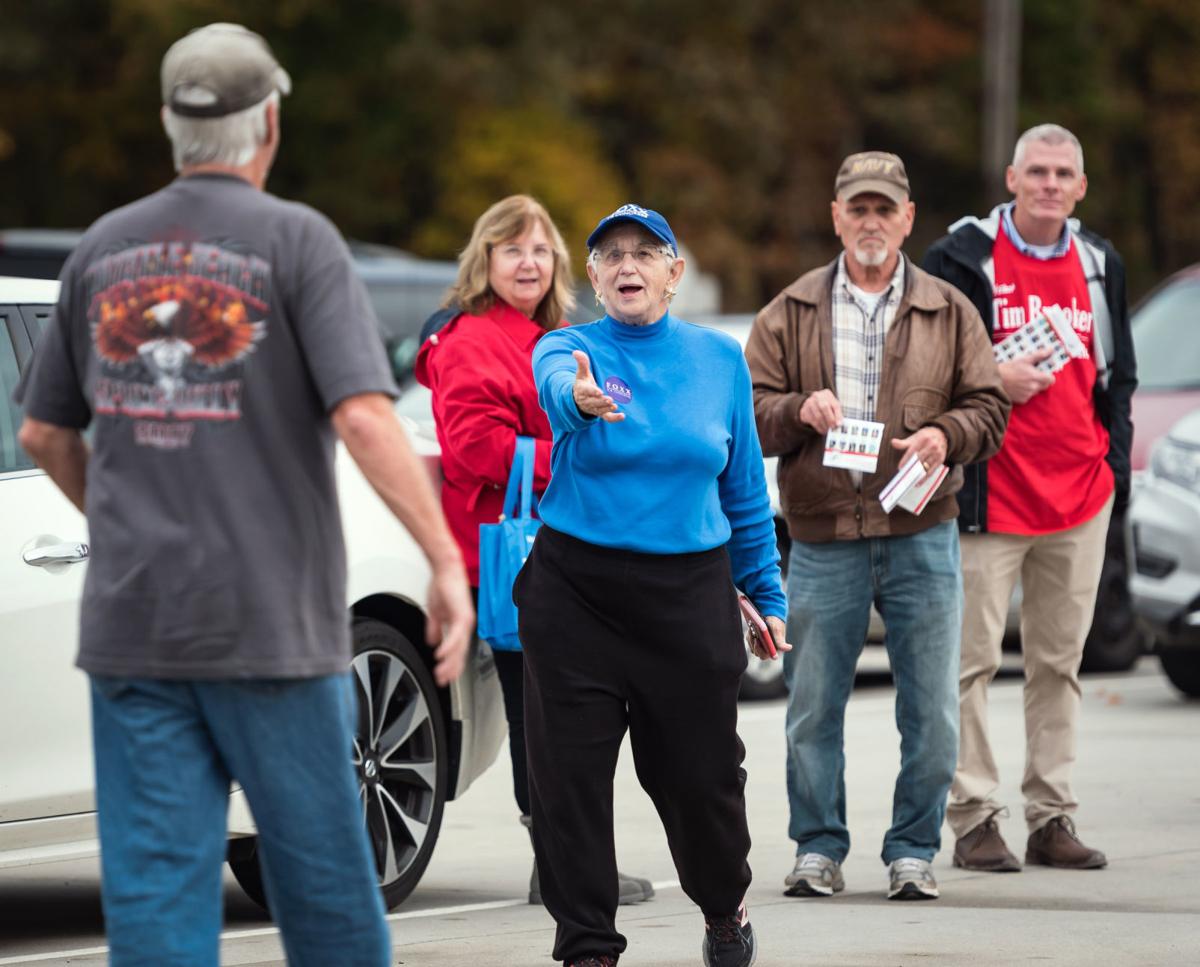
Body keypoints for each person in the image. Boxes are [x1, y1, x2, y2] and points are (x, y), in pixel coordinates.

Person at [15, 23, 473, 966]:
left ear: (168, 126)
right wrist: (440, 560)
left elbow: (42, 433)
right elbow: (364, 417)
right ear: (267, 121)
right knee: (328, 900)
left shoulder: (102, 248)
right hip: (274, 631)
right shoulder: (298, 243)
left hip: (137, 632)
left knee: (157, 906)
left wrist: (118, 517)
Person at [518, 203, 788, 967]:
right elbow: (551, 390)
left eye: (646, 252)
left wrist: (764, 594)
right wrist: (577, 400)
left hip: (688, 594)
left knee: (700, 779)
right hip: (576, 592)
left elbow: (742, 492)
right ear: (594, 277)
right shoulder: (567, 346)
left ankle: (723, 906)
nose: (627, 266)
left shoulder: (718, 359)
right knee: (566, 785)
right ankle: (588, 949)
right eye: (611, 256)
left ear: (676, 271)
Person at [745, 152, 1010, 902]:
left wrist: (945, 437)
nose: (870, 222)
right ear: (835, 216)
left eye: (883, 209)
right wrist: (797, 409)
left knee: (930, 707)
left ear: (908, 218)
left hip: (922, 531)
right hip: (823, 536)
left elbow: (990, 407)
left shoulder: (950, 307)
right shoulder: (788, 310)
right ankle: (818, 848)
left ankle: (913, 851)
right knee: (811, 707)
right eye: (856, 209)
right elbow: (748, 414)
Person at [414, 194, 653, 907]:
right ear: (483, 260)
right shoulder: (471, 339)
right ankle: (559, 864)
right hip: (512, 554)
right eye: (512, 248)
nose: (529, 261)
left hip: (564, 546)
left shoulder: (548, 334)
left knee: (562, 706)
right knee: (541, 708)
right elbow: (474, 448)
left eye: (542, 249)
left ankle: (565, 859)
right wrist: (579, 455)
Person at [923, 124, 1136, 872]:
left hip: (1080, 493)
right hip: (991, 497)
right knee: (969, 664)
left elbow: (1120, 381)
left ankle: (1053, 815)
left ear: (1080, 187)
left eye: (1063, 174)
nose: (1049, 183)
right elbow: (928, 363)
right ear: (1011, 178)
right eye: (1036, 171)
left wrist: (1114, 469)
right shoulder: (960, 257)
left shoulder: (1099, 261)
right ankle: (975, 817)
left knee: (1059, 663)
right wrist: (990, 376)